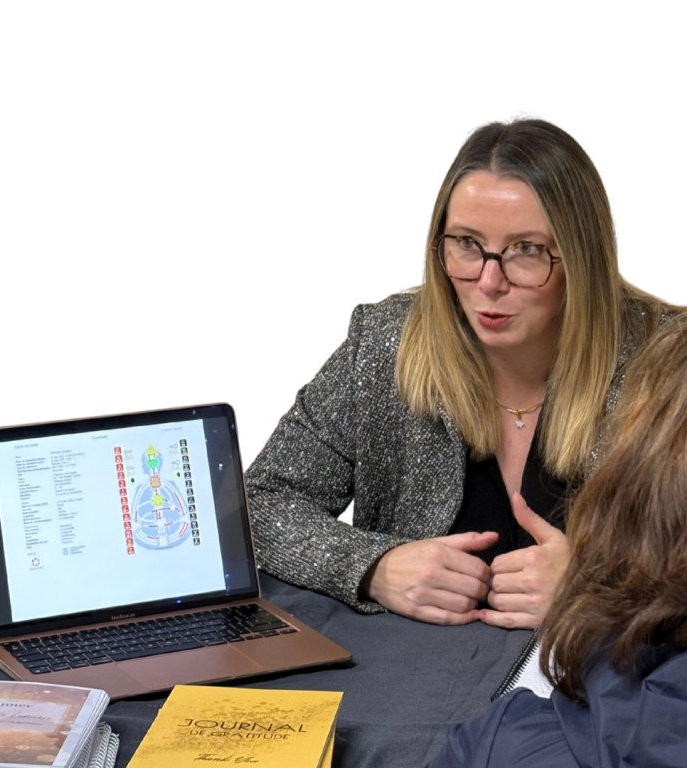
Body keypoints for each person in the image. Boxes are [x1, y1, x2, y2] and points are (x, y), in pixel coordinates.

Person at [246, 119, 671, 629]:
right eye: (467, 243)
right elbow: (260, 504)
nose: (489, 282)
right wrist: (372, 565)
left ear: (582, 257)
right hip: (422, 690)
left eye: (526, 250)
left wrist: (603, 586)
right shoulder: (386, 344)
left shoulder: (667, 362)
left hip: (603, 689)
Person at [427, 314, 687, 766]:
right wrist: (375, 562)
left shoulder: (503, 744)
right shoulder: (384, 335)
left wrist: (592, 592)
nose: (491, 279)